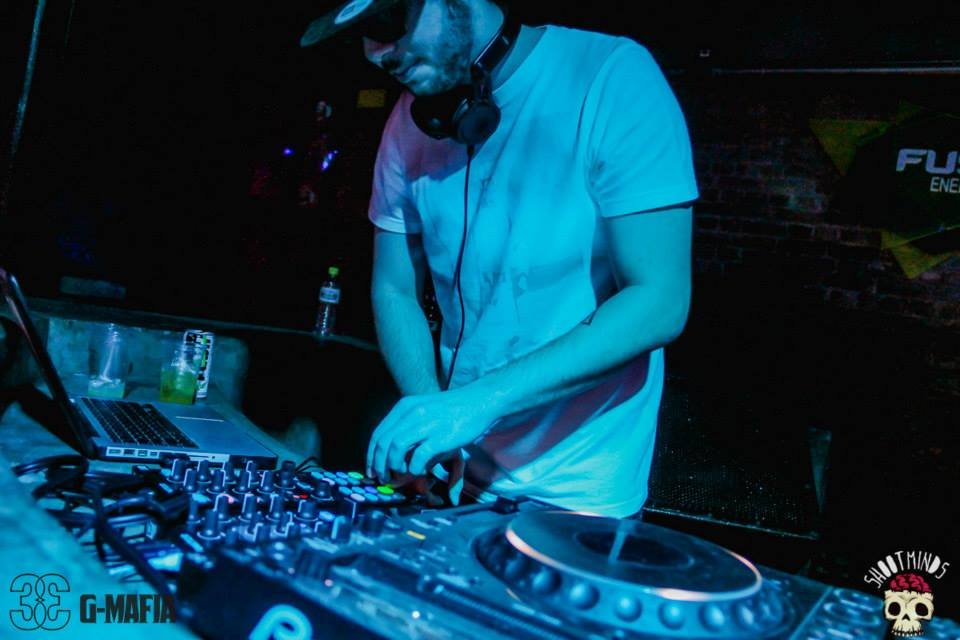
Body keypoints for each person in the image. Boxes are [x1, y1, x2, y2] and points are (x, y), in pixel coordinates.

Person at [300, 0, 697, 517]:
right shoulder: (407, 122)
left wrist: (478, 403)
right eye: (362, 35)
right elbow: (394, 287)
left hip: (577, 495)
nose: (377, 54)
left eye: (387, 22)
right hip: (457, 475)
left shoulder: (611, 76)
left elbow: (659, 301)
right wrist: (431, 420)